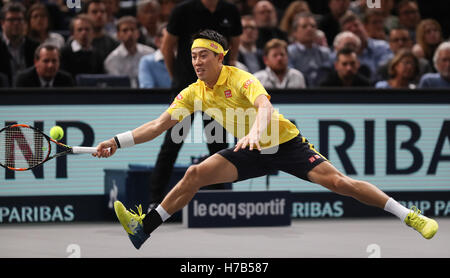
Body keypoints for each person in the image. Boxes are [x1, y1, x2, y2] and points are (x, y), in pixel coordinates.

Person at [93, 29, 439, 250]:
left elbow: (264, 107)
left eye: (203, 56)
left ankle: (408, 215)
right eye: (193, 56)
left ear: (219, 57)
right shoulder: (193, 92)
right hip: (250, 150)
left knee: (340, 183)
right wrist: (116, 141)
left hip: (284, 145)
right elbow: (158, 125)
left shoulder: (241, 78)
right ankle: (144, 229)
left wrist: (256, 133)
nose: (197, 61)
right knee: (194, 175)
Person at [152, 0, 242, 208]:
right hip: (187, 91)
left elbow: (233, 46)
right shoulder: (182, 11)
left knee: (219, 147)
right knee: (171, 145)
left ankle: (219, 202)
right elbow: (167, 47)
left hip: (217, 92)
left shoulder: (229, 11)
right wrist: (179, 79)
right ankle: (155, 201)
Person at [339, 11, 392, 83]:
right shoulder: (341, 54)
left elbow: (388, 70)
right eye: (349, 28)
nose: (354, 29)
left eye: (356, 25)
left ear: (364, 26)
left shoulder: (383, 46)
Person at [104, 16, 155, 88]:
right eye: (125, 30)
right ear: (118, 35)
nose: (130, 33)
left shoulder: (150, 53)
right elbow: (116, 85)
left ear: (138, 33)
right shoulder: (112, 59)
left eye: (132, 30)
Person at [0, 2, 40, 85]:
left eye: (19, 19)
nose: (16, 23)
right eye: (11, 20)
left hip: (29, 94)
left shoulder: (36, 47)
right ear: (2, 23)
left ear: (25, 23)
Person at [288, 12, 332, 87]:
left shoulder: (325, 52)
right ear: (295, 32)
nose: (309, 29)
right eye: (304, 26)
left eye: (313, 26)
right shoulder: (289, 52)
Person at [60, 15, 104, 79]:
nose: (84, 33)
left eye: (87, 29)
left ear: (93, 32)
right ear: (72, 34)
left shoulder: (98, 54)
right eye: (79, 30)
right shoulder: (64, 52)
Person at [138, 24, 172, 88]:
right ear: (157, 41)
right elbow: (147, 90)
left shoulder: (182, 61)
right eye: (169, 38)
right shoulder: (146, 62)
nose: (173, 41)